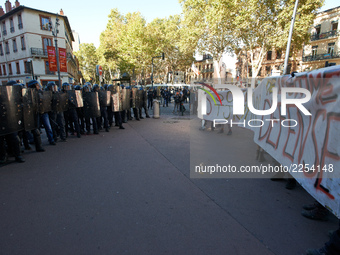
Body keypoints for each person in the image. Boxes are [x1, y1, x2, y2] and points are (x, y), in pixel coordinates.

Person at [28, 79, 56, 145]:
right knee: (36, 129)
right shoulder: (30, 94)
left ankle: (51, 139)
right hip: (35, 113)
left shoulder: (41, 92)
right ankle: (37, 142)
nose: (38, 86)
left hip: (43, 112)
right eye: (37, 85)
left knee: (48, 127)